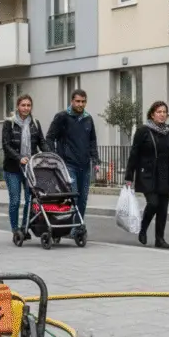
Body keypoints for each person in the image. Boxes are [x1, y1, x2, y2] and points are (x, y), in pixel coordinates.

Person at [124, 100, 169, 249]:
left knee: (163, 207)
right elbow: (134, 153)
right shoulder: (143, 130)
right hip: (147, 173)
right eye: (159, 112)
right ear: (152, 114)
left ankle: (159, 238)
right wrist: (129, 175)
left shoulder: (168, 130)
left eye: (164, 112)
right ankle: (143, 229)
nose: (162, 115)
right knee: (153, 203)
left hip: (164, 173)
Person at [46, 89, 100, 232]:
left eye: (83, 102)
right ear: (72, 101)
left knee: (83, 199)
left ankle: (78, 226)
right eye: (77, 101)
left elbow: (92, 140)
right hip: (68, 164)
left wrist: (96, 160)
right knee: (73, 197)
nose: (80, 104)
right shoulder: (62, 117)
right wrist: (56, 157)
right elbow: (50, 137)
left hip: (85, 165)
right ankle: (71, 227)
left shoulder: (88, 118)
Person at [2, 94, 48, 238]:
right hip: (13, 168)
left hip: (30, 168)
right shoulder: (9, 123)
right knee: (15, 199)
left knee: (29, 199)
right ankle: (15, 229)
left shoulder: (35, 123)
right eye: (23, 105)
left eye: (28, 105)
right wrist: (19, 158)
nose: (26, 108)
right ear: (17, 106)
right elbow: (6, 145)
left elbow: (41, 142)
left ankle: (25, 226)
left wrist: (49, 154)